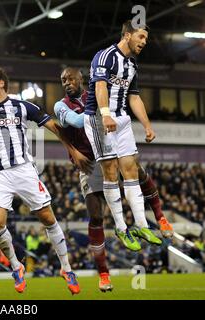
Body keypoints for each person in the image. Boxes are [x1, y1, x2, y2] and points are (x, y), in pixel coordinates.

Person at [0, 66, 91, 295]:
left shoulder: (22, 106)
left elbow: (54, 127)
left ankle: (66, 268)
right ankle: (16, 266)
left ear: (1, 83)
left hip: (24, 170)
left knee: (48, 217)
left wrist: (74, 150)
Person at [54, 67, 174, 291]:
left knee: (137, 170)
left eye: (71, 78)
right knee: (96, 216)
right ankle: (104, 274)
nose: (67, 83)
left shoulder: (97, 92)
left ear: (81, 79)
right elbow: (78, 122)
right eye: (63, 80)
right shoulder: (60, 105)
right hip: (90, 163)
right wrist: (101, 110)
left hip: (111, 149)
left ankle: (160, 217)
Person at [83, 20, 164, 251]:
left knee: (130, 169)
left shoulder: (132, 65)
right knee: (111, 172)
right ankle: (120, 227)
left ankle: (140, 224)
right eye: (141, 37)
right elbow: (100, 87)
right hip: (99, 119)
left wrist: (147, 125)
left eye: (146, 39)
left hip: (123, 120)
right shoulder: (105, 55)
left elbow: (134, 97)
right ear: (127, 35)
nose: (144, 42)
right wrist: (106, 114)